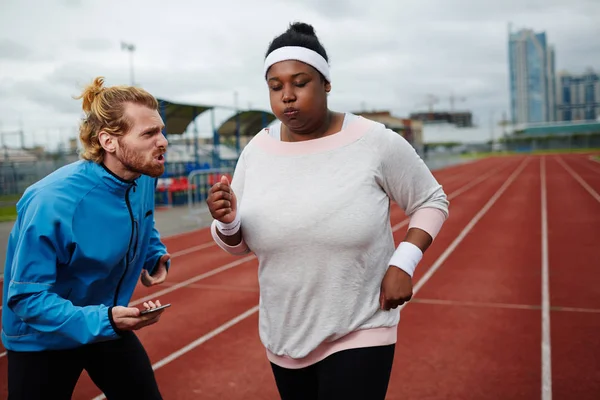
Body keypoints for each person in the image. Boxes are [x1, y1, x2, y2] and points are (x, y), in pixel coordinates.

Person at [207, 22, 449, 400]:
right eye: (275, 87)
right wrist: (227, 221)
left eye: (300, 83)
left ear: (326, 83)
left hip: (360, 325)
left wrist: (403, 262)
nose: (287, 96)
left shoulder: (374, 141)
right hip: (285, 332)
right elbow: (238, 245)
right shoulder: (256, 150)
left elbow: (431, 200)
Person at [2, 77, 172, 400]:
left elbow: (144, 222)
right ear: (108, 141)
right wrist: (105, 318)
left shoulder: (142, 176)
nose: (162, 141)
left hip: (106, 320)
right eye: (149, 133)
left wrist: (155, 255)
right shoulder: (50, 202)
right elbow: (25, 298)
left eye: (161, 131)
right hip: (43, 337)